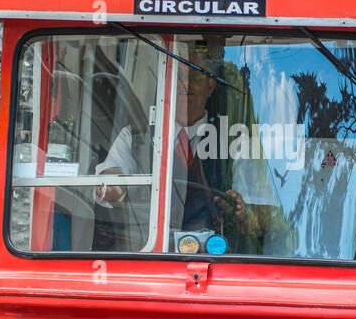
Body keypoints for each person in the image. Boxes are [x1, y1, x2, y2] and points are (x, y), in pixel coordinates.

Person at [95, 54, 261, 242]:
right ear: (168, 84)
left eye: (195, 76)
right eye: (179, 76)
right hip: (147, 251)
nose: (186, 84)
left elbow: (257, 216)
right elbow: (109, 178)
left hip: (214, 254)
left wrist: (239, 208)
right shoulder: (135, 136)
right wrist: (112, 182)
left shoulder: (235, 140)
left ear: (211, 85)